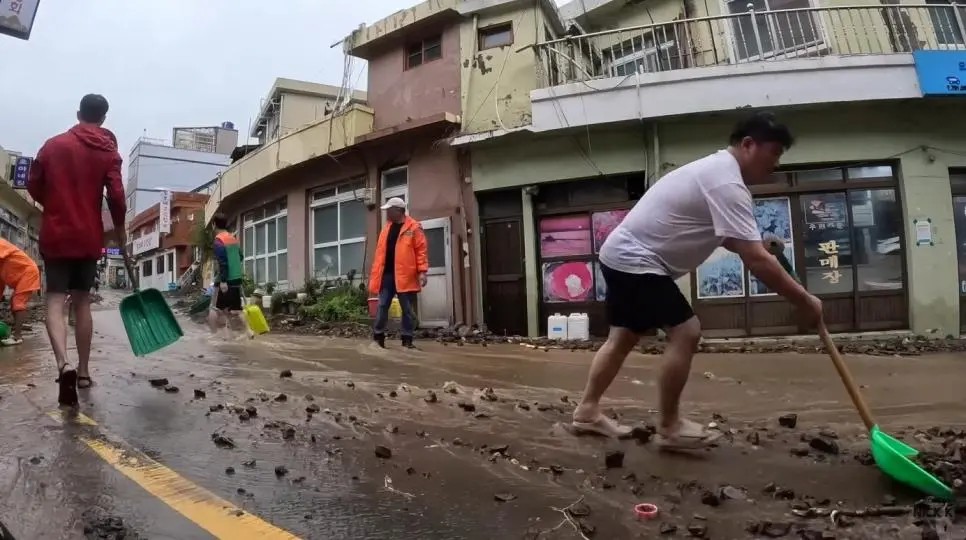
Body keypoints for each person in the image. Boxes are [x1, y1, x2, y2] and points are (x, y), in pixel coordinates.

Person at [571, 111, 824, 450]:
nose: (776, 163)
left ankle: (587, 412)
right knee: (686, 331)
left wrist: (755, 248)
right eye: (774, 152)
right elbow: (755, 260)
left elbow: (731, 241)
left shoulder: (718, 173)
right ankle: (669, 426)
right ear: (748, 145)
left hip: (622, 254)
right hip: (637, 259)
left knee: (624, 336)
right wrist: (804, 300)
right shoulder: (727, 181)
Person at [27, 94, 126, 406]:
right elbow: (118, 196)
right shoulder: (108, 151)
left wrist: (54, 204)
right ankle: (83, 372)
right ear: (104, 118)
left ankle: (63, 365)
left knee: (55, 300)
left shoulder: (52, 146)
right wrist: (120, 228)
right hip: (87, 236)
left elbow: (33, 183)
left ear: (78, 113)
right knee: (82, 302)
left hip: (56, 233)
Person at [368, 197, 428, 349]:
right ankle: (378, 338)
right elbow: (380, 253)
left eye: (389, 209)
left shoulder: (414, 227)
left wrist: (422, 272)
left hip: (405, 275)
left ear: (399, 211)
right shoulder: (386, 228)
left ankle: (407, 340)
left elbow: (421, 251)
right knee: (382, 306)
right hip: (387, 275)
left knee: (406, 309)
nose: (387, 212)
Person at [207, 213, 254, 339]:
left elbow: (223, 262)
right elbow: (240, 256)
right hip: (236, 278)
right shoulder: (233, 238)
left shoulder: (218, 241)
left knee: (214, 308)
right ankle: (249, 331)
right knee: (236, 309)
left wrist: (223, 281)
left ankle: (214, 336)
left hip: (225, 279)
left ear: (214, 225)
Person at [0, 239, 41, 346]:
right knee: (14, 303)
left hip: (28, 272)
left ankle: (17, 337)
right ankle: (16, 332)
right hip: (23, 275)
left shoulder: (1, 244)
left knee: (17, 302)